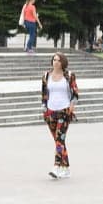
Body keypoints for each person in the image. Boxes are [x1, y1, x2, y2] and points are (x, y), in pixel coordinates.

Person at [40, 51, 80, 179]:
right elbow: (44, 95)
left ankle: (56, 166)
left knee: (59, 140)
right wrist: (44, 110)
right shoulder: (46, 76)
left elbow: (75, 94)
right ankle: (66, 167)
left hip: (64, 112)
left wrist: (71, 107)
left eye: (58, 60)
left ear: (63, 62)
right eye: (54, 60)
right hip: (51, 112)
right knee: (58, 141)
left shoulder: (69, 75)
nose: (55, 62)